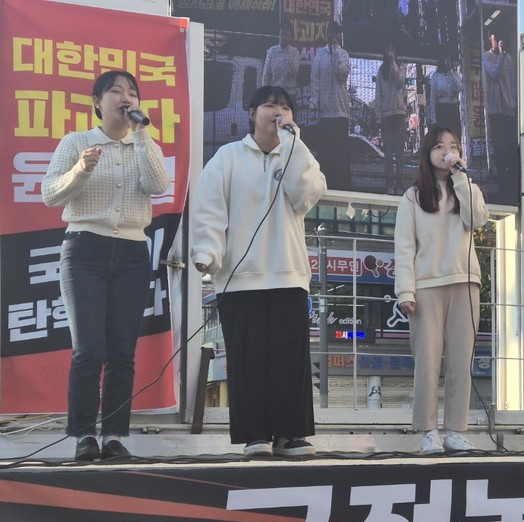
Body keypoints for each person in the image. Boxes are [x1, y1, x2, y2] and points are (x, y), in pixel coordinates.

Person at [41, 70, 171, 462]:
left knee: (121, 351)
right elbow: (50, 195)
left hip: (132, 252)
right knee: (89, 349)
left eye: (132, 92)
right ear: (98, 101)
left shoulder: (144, 144)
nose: (125, 97)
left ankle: (114, 435)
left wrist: (142, 134)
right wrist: (81, 168)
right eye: (115, 91)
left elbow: (159, 184)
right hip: (84, 250)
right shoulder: (77, 142)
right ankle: (83, 436)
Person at [191, 86, 327, 458]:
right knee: (249, 360)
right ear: (252, 113)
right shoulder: (228, 157)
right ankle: (256, 435)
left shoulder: (298, 153)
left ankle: (291, 434)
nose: (277, 112)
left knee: (289, 359)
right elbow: (209, 208)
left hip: (287, 274)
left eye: (285, 106)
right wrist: (207, 252)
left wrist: (295, 146)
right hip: (240, 278)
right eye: (269, 105)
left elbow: (306, 195)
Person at [394, 125, 490, 455]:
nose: (447, 151)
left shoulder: (467, 188)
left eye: (454, 145)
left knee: (461, 362)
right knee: (428, 362)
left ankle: (455, 430)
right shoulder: (413, 196)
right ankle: (428, 431)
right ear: (427, 152)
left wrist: (461, 177)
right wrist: (405, 291)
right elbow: (404, 246)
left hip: (465, 283)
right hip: (427, 287)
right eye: (439, 146)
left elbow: (477, 220)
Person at [311, 21, 351, 188]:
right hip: (326, 111)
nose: (334, 37)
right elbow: (315, 79)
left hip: (341, 111)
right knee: (326, 152)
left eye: (337, 34)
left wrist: (335, 54)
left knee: (340, 152)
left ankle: (342, 186)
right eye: (331, 33)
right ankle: (325, 185)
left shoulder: (343, 54)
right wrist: (314, 101)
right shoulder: (320, 54)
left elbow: (342, 75)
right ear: (327, 35)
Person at [480, 32, 518, 197]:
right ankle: (503, 186)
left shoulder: (508, 58)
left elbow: (512, 81)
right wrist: (501, 54)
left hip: (509, 109)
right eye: (496, 38)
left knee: (511, 149)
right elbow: (494, 73)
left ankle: (512, 186)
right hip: (496, 110)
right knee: (500, 150)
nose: (499, 42)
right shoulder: (486, 56)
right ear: (491, 39)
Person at [374, 43, 407, 195]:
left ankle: (400, 184)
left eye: (392, 49)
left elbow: (400, 83)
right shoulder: (381, 70)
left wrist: (393, 63)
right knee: (388, 152)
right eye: (387, 49)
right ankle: (389, 183)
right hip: (387, 115)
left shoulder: (400, 66)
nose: (390, 52)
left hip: (399, 113)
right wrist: (378, 117)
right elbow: (378, 95)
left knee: (399, 151)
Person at [428, 54, 462, 140]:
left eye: (449, 58)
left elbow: (459, 88)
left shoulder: (456, 75)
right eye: (444, 58)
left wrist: (451, 71)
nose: (447, 60)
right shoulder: (436, 76)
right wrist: (433, 119)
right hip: (442, 109)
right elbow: (433, 98)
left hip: (453, 108)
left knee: (455, 138)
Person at [262, 22, 300, 94]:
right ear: (279, 33)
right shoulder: (272, 51)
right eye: (283, 29)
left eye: (288, 30)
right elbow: (266, 75)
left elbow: (294, 72)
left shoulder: (295, 52)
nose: (285, 31)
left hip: (290, 94)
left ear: (291, 36)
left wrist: (287, 50)